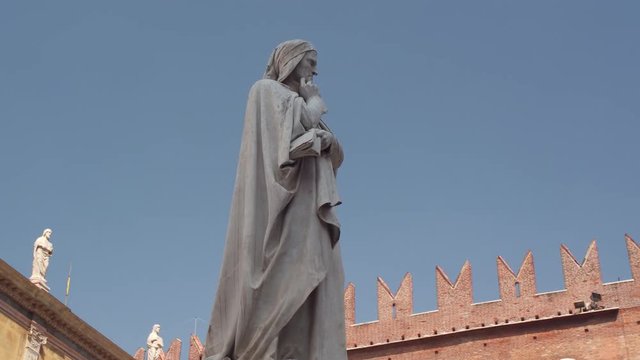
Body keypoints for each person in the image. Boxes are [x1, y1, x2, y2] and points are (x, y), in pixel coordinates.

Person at [204, 39, 347, 360]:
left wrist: (327, 141)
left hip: (309, 204)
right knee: (281, 276)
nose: (315, 70)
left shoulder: (297, 100)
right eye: (310, 62)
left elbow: (331, 151)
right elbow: (284, 142)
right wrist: (315, 103)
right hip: (278, 205)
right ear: (292, 61)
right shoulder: (265, 91)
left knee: (316, 274)